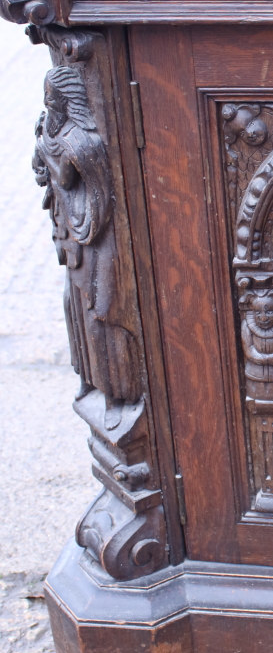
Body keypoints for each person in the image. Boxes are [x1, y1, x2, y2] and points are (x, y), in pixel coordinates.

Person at [32, 66, 139, 429]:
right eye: (46, 97)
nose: (48, 104)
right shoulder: (53, 130)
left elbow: (67, 176)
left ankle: (120, 396)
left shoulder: (84, 143)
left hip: (95, 233)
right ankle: (89, 381)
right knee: (74, 305)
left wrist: (48, 146)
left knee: (105, 315)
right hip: (72, 230)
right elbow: (45, 173)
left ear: (69, 100)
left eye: (53, 97)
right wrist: (45, 145)